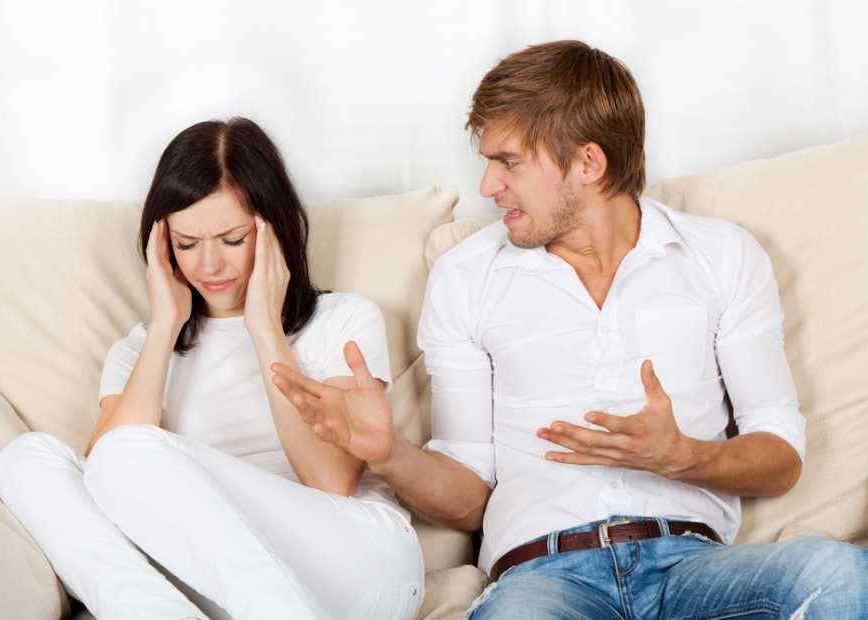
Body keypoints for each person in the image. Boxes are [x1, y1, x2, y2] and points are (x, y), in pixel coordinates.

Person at [271, 41, 868, 618]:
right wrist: (391, 454)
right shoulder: (466, 277)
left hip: (693, 568)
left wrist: (680, 456)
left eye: (508, 162)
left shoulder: (721, 255)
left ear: (588, 162)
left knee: (836, 574)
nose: (487, 187)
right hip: (545, 580)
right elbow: (469, 496)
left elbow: (780, 456)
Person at [0, 117, 424, 620]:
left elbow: (331, 482)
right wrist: (165, 323)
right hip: (210, 586)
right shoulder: (141, 350)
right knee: (24, 460)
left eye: (232, 239)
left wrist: (265, 330)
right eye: (187, 244)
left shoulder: (342, 319)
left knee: (122, 451)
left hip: (358, 564)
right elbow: (106, 482)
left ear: (274, 229)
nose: (209, 266)